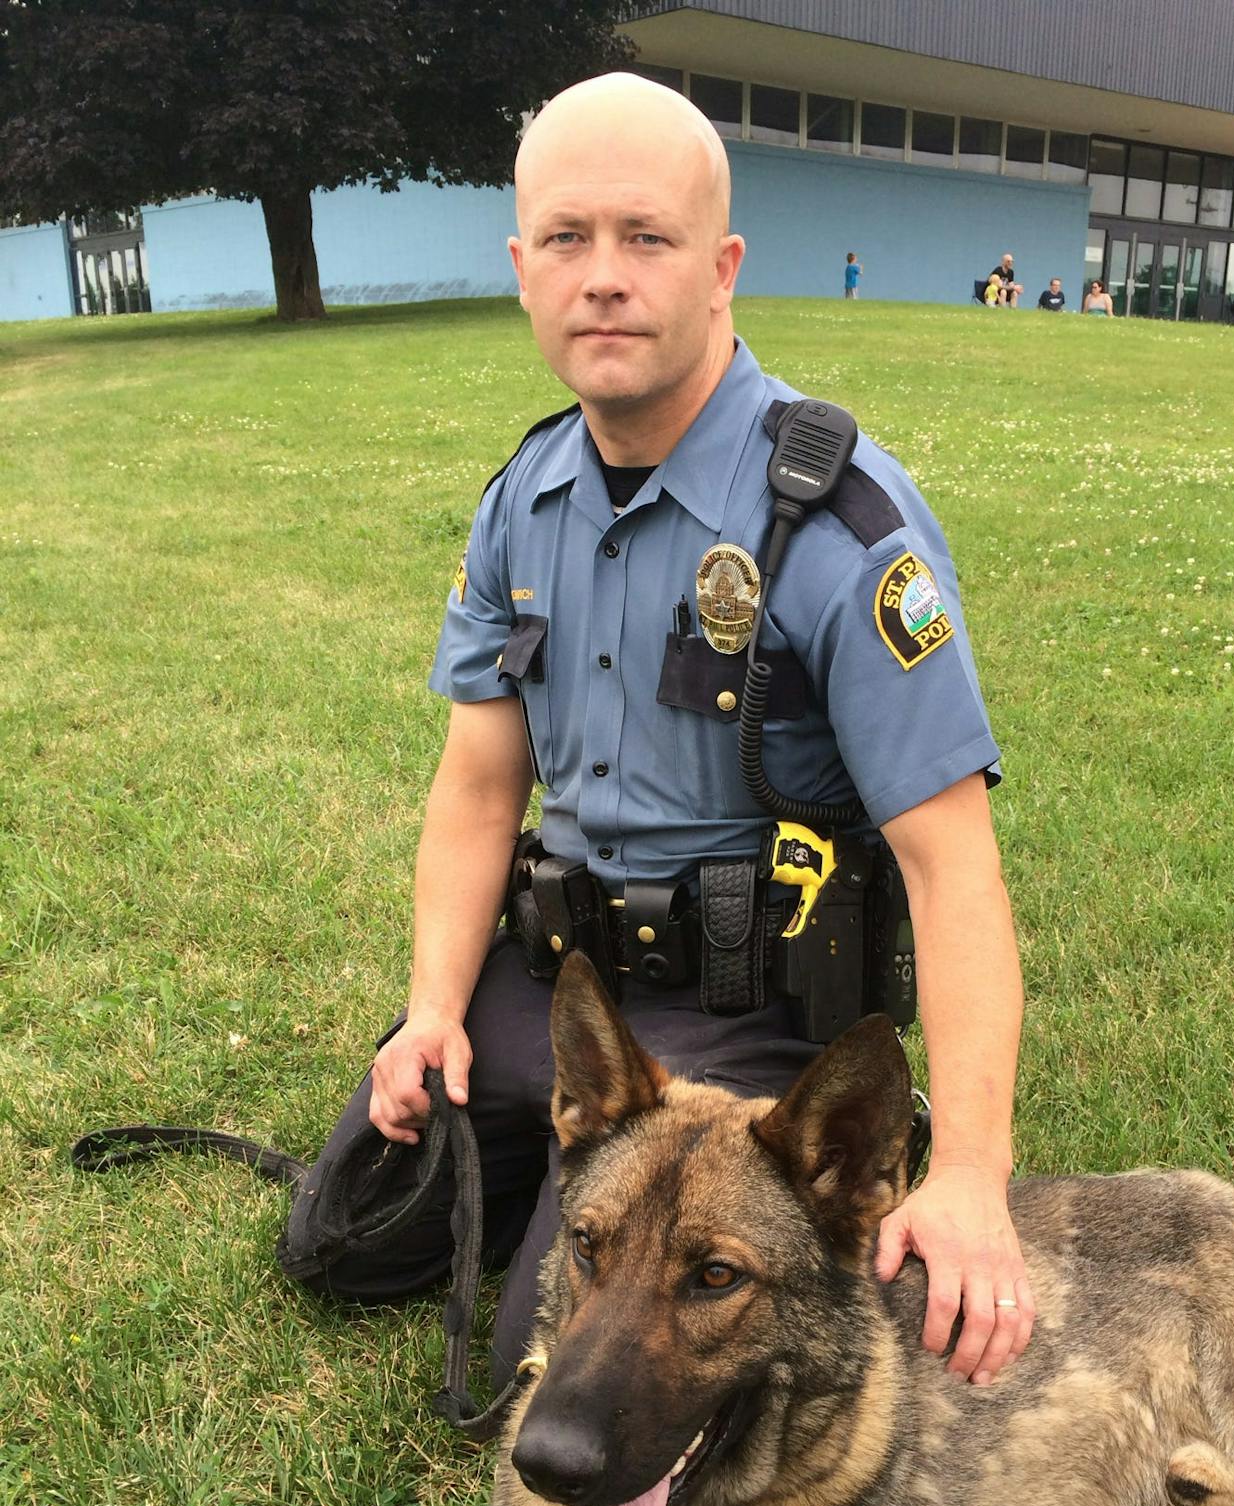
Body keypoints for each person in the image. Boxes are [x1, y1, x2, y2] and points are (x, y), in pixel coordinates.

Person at [280, 72, 1034, 1395]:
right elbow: (474, 790)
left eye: (647, 238)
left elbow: (950, 862)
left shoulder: (840, 522)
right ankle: (561, 1183)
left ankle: (612, 1227)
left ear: (722, 268)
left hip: (743, 1013)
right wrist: (431, 1013)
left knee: (566, 1369)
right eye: (568, 240)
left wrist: (972, 1172)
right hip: (565, 991)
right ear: (523, 270)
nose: (604, 278)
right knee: (341, 1241)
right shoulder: (524, 498)